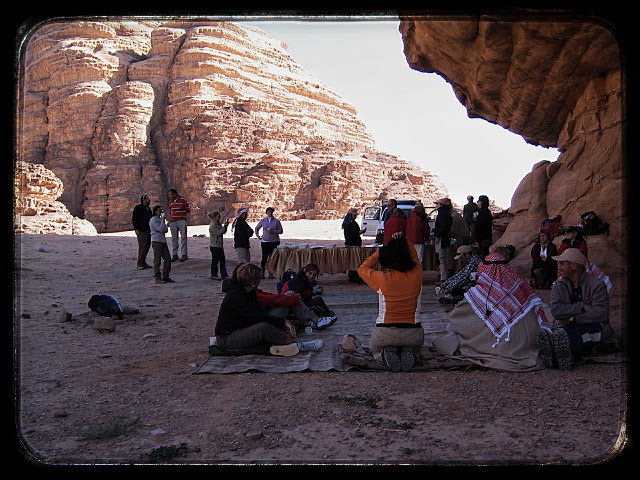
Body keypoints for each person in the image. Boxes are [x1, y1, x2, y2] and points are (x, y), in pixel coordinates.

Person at [432, 251, 552, 372]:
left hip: (500, 343)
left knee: (450, 338)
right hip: (529, 343)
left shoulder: (479, 293)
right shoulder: (522, 289)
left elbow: (456, 318)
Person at [215, 263, 324, 356]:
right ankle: (297, 344)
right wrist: (281, 322)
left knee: (268, 324)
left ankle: (286, 341)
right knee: (264, 328)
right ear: (253, 281)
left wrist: (280, 323)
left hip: (241, 328)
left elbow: (258, 312)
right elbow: (255, 316)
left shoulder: (249, 291)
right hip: (227, 337)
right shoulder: (237, 296)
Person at [537, 248, 615, 370]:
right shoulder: (559, 285)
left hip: (594, 326)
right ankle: (557, 355)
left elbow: (601, 314)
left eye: (562, 263)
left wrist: (572, 319)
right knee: (557, 333)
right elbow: (556, 311)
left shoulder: (596, 285)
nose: (558, 266)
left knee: (572, 335)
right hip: (568, 324)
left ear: (573, 265)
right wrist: (582, 307)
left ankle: (562, 356)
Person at [357, 233, 424, 372]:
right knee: (416, 348)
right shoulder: (417, 274)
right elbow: (415, 258)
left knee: (375, 351)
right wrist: (404, 240)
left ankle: (382, 355)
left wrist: (381, 251)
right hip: (413, 333)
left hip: (385, 333)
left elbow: (362, 269)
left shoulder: (382, 279)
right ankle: (413, 354)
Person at [255, 207, 283, 278]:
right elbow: (257, 228)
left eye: (271, 211)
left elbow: (281, 231)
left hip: (274, 242)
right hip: (265, 241)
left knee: (272, 258)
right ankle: (262, 273)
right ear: (266, 212)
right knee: (264, 257)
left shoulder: (276, 221)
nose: (270, 213)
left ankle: (271, 273)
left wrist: (273, 231)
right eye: (268, 211)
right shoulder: (263, 220)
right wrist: (257, 235)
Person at [149, 205, 173, 283]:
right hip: (156, 241)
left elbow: (165, 229)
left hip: (162, 241)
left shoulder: (160, 220)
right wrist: (161, 226)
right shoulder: (153, 220)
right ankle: (157, 277)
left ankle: (166, 276)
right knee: (157, 260)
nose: (161, 212)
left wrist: (160, 228)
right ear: (155, 211)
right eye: (159, 210)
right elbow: (161, 228)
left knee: (167, 259)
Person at [342, 207, 366, 282]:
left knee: (353, 260)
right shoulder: (349, 224)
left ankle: (353, 275)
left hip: (352, 243)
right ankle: (353, 276)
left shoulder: (350, 223)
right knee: (354, 260)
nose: (355, 217)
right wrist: (360, 232)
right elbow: (353, 234)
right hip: (352, 244)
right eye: (354, 215)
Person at [167, 188, 190, 262]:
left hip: (181, 221)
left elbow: (187, 210)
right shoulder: (170, 202)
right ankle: (175, 254)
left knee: (183, 237)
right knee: (174, 238)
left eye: (170, 194)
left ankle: (184, 254)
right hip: (173, 222)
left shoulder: (183, 200)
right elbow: (171, 212)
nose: (169, 196)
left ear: (174, 194)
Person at [433, 198, 453, 282]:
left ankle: (443, 278)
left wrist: (437, 235)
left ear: (441, 205)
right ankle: (446, 276)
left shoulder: (441, 214)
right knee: (445, 258)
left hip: (442, 238)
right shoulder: (448, 214)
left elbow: (442, 227)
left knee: (441, 259)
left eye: (437, 204)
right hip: (447, 238)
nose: (436, 205)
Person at [132, 194, 152, 270]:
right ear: (144, 200)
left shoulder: (148, 209)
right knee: (142, 247)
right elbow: (134, 219)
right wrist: (136, 229)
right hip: (141, 231)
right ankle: (140, 263)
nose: (149, 200)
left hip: (148, 230)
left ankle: (143, 262)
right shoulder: (138, 208)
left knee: (147, 246)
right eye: (148, 199)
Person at [208, 210, 230, 280]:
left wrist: (225, 227)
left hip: (219, 245)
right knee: (215, 261)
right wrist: (224, 227)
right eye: (218, 216)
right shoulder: (213, 225)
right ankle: (214, 274)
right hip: (215, 245)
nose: (219, 218)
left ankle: (223, 274)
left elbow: (223, 232)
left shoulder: (218, 224)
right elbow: (219, 233)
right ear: (214, 217)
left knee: (222, 261)